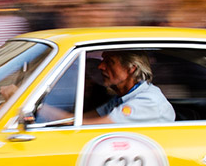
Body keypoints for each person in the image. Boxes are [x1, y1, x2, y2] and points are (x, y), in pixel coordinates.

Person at [37, 50, 175, 125]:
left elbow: (86, 126)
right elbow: (78, 119)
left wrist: (39, 108)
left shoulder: (147, 101)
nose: (101, 66)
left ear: (131, 69)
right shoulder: (121, 99)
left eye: (109, 62)